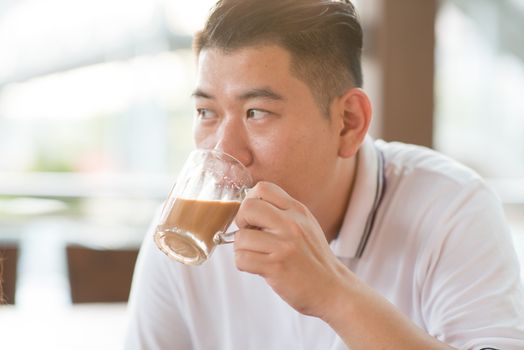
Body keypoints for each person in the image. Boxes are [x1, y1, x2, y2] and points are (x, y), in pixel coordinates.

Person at [124, 0, 524, 349]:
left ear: (348, 122)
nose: (224, 150)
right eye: (206, 112)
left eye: (257, 112)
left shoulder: (451, 206)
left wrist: (333, 295)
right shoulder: (186, 235)